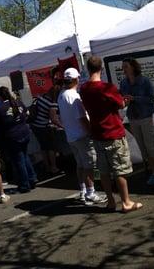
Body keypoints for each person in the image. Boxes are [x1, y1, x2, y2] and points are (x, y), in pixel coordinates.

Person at [79, 56, 143, 213]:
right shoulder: (107, 87)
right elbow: (120, 104)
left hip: (97, 133)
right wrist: (125, 100)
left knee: (104, 171)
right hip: (113, 132)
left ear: (88, 69)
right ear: (101, 68)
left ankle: (111, 202)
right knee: (119, 169)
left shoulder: (84, 88)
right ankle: (126, 202)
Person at [58, 68, 107, 205]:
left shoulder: (62, 94)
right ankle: (91, 193)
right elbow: (82, 118)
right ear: (75, 79)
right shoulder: (74, 96)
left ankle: (83, 190)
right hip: (81, 135)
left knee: (80, 165)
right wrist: (91, 132)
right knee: (89, 165)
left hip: (71, 135)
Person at [120, 58, 154, 186]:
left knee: (151, 147)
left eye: (126, 66)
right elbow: (122, 99)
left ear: (133, 67)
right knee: (142, 148)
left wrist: (135, 98)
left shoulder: (144, 81)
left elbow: (152, 99)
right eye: (123, 67)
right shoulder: (123, 83)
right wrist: (125, 101)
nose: (124, 69)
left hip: (145, 116)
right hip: (133, 117)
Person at [0, 86, 37, 193]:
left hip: (13, 136)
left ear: (0, 96)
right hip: (24, 132)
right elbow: (26, 113)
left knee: (19, 160)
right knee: (25, 156)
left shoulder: (0, 107)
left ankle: (25, 184)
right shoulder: (17, 102)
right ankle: (32, 178)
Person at [30, 68, 63, 175]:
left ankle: (47, 167)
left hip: (35, 125)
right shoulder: (52, 103)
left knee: (43, 147)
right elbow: (53, 118)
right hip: (43, 126)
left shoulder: (42, 97)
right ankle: (54, 167)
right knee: (51, 148)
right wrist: (62, 125)